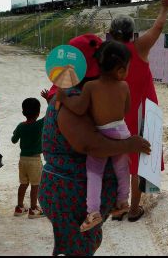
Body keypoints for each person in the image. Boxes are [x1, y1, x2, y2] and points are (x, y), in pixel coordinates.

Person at [39, 34, 151, 256]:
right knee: (78, 248)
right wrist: (129, 144)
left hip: (72, 195)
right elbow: (91, 145)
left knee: (80, 245)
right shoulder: (71, 98)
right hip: (69, 196)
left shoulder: (84, 93)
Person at [109, 0, 168, 222]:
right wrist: (165, 6)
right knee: (138, 162)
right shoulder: (138, 48)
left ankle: (118, 206)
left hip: (115, 112)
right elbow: (158, 28)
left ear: (111, 33)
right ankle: (133, 209)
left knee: (118, 159)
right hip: (142, 111)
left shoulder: (107, 53)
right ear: (132, 33)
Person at [60, 40, 132, 232]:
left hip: (103, 135)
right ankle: (123, 201)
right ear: (120, 70)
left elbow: (79, 108)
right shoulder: (124, 86)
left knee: (94, 173)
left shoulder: (91, 87)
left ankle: (93, 212)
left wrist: (64, 99)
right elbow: (126, 110)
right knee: (122, 168)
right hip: (122, 132)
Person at [12, 98, 45, 219]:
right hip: (35, 161)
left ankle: (19, 207)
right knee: (35, 185)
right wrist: (49, 100)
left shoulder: (21, 126)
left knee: (23, 183)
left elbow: (13, 140)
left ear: (23, 112)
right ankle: (33, 209)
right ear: (38, 113)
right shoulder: (39, 124)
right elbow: (50, 115)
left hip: (23, 160)